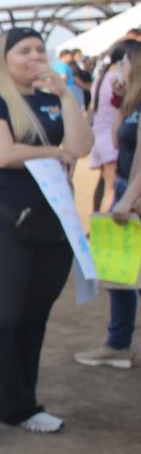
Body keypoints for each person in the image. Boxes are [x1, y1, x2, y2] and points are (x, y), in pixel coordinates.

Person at [0, 28, 93, 452]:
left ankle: (21, 405)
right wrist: (54, 152)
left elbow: (80, 146)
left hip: (54, 225)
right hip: (5, 223)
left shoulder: (54, 98)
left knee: (33, 317)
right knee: (0, 318)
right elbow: (3, 154)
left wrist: (67, 97)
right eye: (24, 50)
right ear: (3, 57)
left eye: (39, 50)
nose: (34, 57)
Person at [76, 40, 141, 369]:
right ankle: (118, 343)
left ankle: (120, 342)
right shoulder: (133, 102)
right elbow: (117, 141)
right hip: (126, 189)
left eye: (124, 63)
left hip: (134, 196)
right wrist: (120, 102)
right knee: (121, 275)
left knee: (134, 274)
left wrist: (128, 198)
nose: (120, 69)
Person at [87, 43, 126, 211]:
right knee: (112, 190)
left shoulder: (102, 77)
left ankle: (98, 225)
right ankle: (102, 229)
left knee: (105, 185)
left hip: (100, 137)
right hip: (111, 139)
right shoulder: (117, 78)